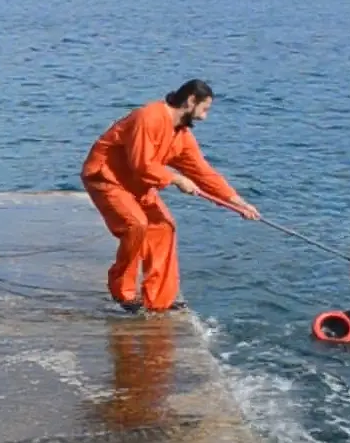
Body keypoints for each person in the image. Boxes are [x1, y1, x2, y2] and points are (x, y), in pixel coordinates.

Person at [80, 80, 259, 313]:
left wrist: (237, 202)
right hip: (106, 177)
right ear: (191, 100)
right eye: (204, 109)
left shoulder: (181, 135)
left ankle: (159, 302)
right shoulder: (148, 117)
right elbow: (141, 164)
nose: (204, 117)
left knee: (164, 226)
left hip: (136, 185)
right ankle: (123, 291)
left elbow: (203, 172)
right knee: (136, 224)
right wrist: (176, 179)